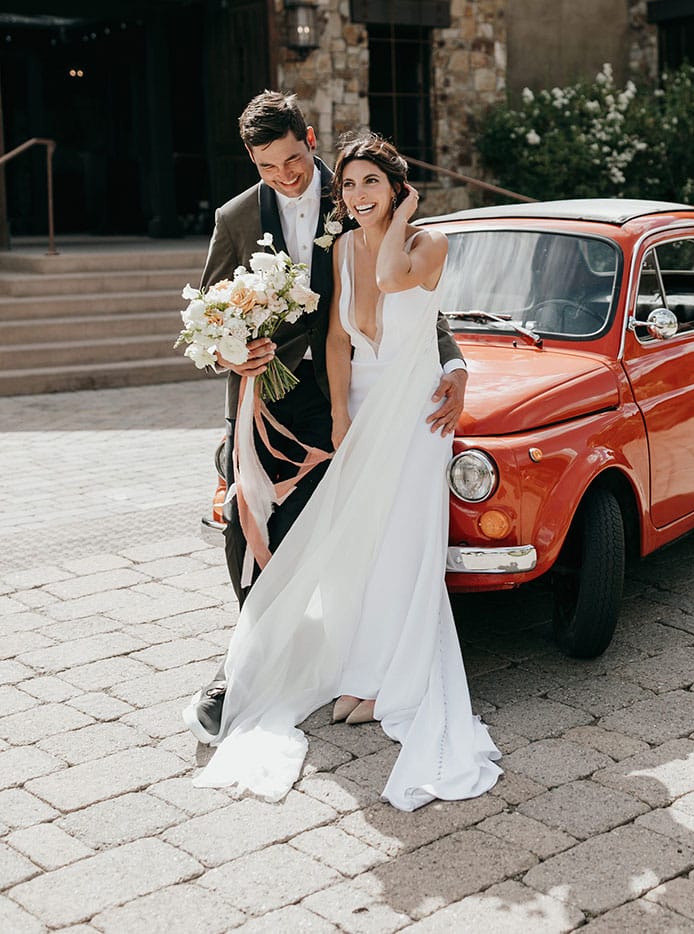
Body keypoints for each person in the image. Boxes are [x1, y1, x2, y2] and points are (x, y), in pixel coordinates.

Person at [185, 132, 501, 809]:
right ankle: (332, 669)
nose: (355, 195)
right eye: (350, 186)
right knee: (344, 540)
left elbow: (401, 290)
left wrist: (456, 364)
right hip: (331, 401)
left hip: (413, 410)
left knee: (402, 543)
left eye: (371, 185)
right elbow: (330, 334)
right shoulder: (264, 224)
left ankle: (394, 678)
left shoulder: (414, 240)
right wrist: (336, 414)